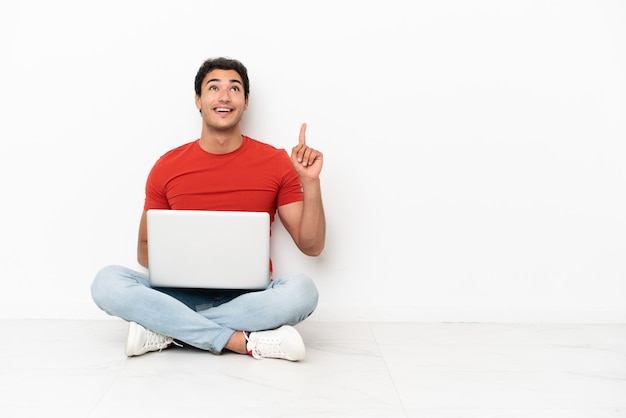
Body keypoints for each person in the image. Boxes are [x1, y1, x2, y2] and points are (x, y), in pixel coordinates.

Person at [91, 57, 325, 361]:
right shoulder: (167, 166)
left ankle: (168, 331)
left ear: (246, 102)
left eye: (234, 89)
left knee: (302, 291)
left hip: (250, 298)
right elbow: (144, 252)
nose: (224, 96)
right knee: (107, 283)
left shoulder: (276, 162)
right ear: (198, 101)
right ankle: (241, 341)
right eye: (213, 88)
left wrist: (310, 183)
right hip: (181, 295)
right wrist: (187, 258)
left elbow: (312, 246)